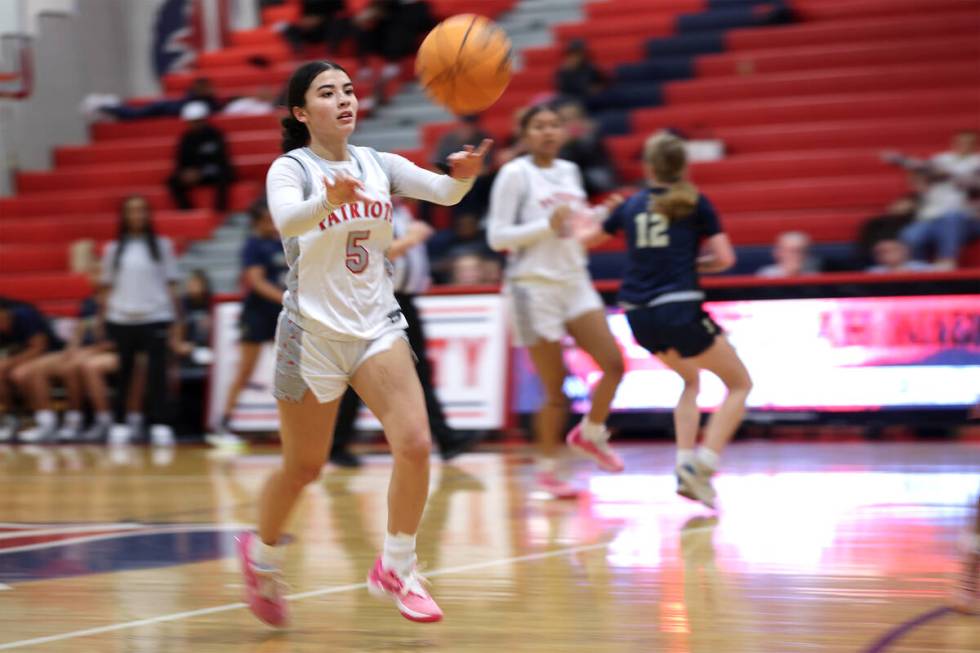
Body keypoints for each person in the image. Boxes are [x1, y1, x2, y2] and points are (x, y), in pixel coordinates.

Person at [237, 60, 490, 627]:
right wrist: (329, 199)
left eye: (349, 90)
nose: (345, 99)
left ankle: (397, 566)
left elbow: (445, 193)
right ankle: (261, 555)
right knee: (304, 467)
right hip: (311, 334)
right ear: (302, 113)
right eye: (328, 93)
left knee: (417, 445)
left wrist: (465, 175)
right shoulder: (290, 169)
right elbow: (288, 222)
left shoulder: (379, 163)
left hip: (377, 326)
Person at [575, 131, 752, 509]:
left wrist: (603, 213)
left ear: (649, 166)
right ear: (683, 165)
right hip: (679, 308)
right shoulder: (695, 202)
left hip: (638, 315)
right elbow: (725, 259)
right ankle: (704, 464)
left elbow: (585, 241)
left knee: (690, 378)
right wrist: (692, 262)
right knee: (739, 384)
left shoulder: (632, 204)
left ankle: (684, 463)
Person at [486, 103, 626, 500]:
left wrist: (603, 215)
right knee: (554, 389)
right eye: (539, 126)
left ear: (564, 132)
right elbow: (498, 238)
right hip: (530, 288)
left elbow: (574, 229)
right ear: (525, 134)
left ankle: (591, 433)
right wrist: (543, 226)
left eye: (554, 125)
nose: (548, 132)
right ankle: (547, 470)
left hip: (573, 279)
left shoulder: (570, 172)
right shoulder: (514, 174)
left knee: (614, 365)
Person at [328, 200, 483, 466]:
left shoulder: (401, 211)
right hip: (377, 301)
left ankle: (446, 438)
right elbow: (373, 255)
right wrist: (413, 238)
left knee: (418, 370)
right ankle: (336, 444)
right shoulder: (368, 210)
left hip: (403, 300)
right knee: (363, 374)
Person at [100, 195, 183, 447]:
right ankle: (120, 422)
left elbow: (171, 286)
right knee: (124, 372)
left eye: (141, 211)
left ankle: (159, 423)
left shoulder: (162, 246)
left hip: (155, 317)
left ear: (148, 215)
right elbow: (106, 288)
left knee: (157, 373)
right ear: (124, 216)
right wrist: (104, 320)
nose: (136, 216)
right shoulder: (113, 250)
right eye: (131, 211)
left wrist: (178, 324)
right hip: (121, 318)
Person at [212, 199, 287, 447]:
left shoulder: (283, 242)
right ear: (257, 222)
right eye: (267, 219)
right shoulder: (252, 246)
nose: (272, 223)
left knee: (291, 371)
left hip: (282, 315)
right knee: (245, 370)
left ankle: (289, 427)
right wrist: (286, 299)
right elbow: (255, 281)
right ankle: (223, 423)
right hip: (257, 314)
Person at [884, 130, 980, 269]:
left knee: (952, 217)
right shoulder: (942, 159)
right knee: (910, 235)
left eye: (968, 142)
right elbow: (921, 168)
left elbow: (971, 184)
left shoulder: (977, 162)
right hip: (932, 216)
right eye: (960, 142)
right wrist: (901, 160)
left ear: (975, 144)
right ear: (954, 143)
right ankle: (918, 269)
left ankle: (947, 260)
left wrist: (946, 174)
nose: (964, 145)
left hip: (968, 219)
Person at [0, 300, 63, 442]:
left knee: (21, 374)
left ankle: (45, 423)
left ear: (5, 312)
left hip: (51, 354)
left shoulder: (25, 314)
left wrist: (8, 363)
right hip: (23, 357)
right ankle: (12, 419)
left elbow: (39, 347)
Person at [167, 101, 235, 213]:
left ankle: (220, 210)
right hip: (194, 175)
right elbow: (180, 161)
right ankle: (187, 211)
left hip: (213, 172)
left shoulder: (216, 135)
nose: (195, 124)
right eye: (192, 122)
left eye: (198, 121)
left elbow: (222, 160)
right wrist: (185, 173)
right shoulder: (186, 139)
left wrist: (202, 172)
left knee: (224, 176)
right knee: (172, 181)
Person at [755, 230, 819, 278]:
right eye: (790, 251)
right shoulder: (766, 275)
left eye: (800, 251)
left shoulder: (815, 275)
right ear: (777, 252)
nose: (795, 256)